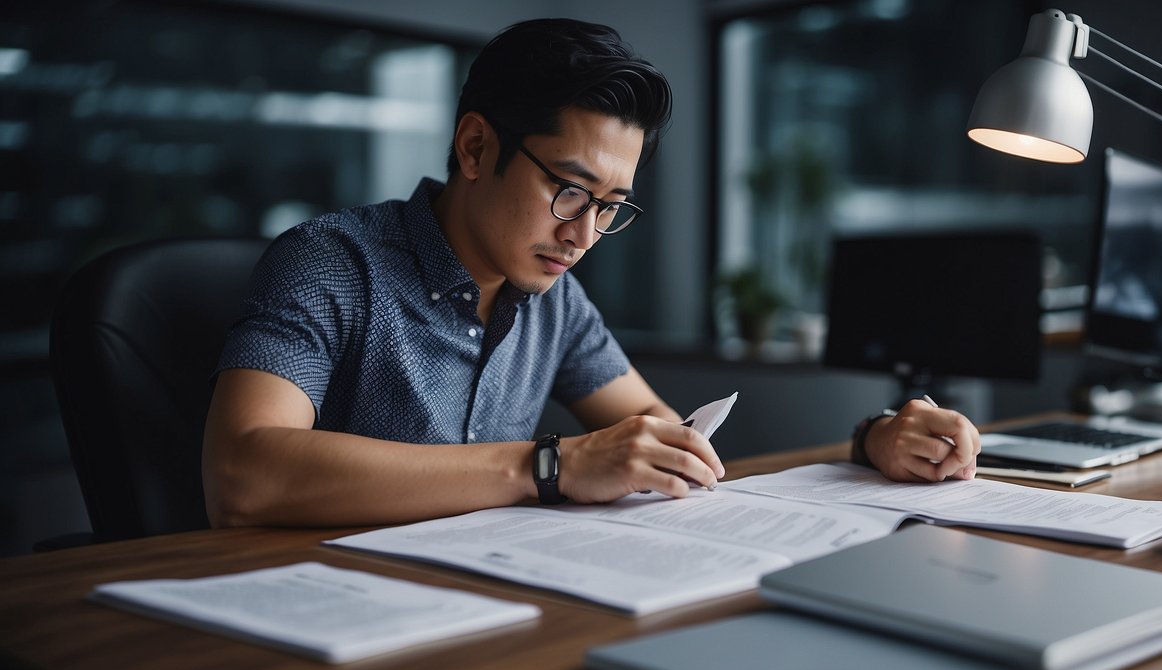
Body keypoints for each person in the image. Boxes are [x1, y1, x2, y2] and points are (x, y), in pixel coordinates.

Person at [202, 18, 979, 529]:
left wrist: (871, 441)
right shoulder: (330, 262)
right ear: (475, 149)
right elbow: (244, 473)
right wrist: (549, 465)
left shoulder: (552, 295)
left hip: (484, 612)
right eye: (568, 190)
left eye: (610, 206)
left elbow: (676, 446)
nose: (582, 235)